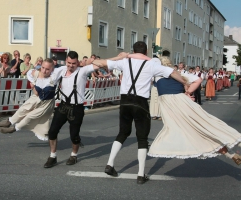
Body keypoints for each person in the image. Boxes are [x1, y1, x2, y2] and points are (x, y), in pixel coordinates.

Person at [92, 41, 188, 184]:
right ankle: (141, 174)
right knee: (142, 138)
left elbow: (98, 63)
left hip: (124, 101)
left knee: (122, 133)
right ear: (146, 51)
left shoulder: (125, 62)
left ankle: (110, 164)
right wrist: (185, 83)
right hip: (140, 102)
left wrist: (119, 57)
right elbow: (173, 73)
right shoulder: (151, 64)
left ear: (133, 50)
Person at [147, 56, 241, 166]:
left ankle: (231, 154)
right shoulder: (179, 74)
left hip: (171, 106)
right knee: (206, 125)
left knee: (193, 133)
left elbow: (150, 62)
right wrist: (188, 92)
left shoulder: (158, 74)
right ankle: (234, 150)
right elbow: (198, 80)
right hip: (182, 101)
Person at [43, 51, 106, 169]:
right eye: (69, 63)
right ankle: (52, 156)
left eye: (73, 63)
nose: (71, 65)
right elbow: (46, 72)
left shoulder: (82, 71)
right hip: (62, 106)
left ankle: (74, 155)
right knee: (52, 132)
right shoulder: (61, 70)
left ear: (78, 62)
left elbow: (101, 65)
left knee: (74, 135)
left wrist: (92, 60)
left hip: (76, 108)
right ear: (66, 61)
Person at [0, 59, 57, 139]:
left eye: (47, 69)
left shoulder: (54, 77)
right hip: (36, 97)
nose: (44, 71)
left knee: (30, 116)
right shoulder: (36, 73)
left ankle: (14, 128)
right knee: (23, 109)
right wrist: (33, 85)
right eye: (43, 68)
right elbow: (35, 91)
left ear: (52, 69)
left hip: (47, 103)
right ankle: (9, 122)